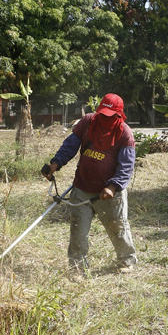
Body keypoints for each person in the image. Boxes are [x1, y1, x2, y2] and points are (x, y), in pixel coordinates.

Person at [42, 93, 137, 273]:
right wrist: (55, 164)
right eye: (102, 114)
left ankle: (126, 261)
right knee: (78, 230)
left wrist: (112, 186)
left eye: (109, 116)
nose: (104, 119)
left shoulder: (124, 133)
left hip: (109, 193)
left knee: (117, 228)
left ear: (119, 115)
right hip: (82, 188)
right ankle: (77, 268)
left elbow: (126, 166)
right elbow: (70, 146)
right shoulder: (87, 123)